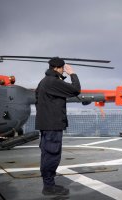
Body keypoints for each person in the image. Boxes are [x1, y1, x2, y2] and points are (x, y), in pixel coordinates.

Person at [35, 57, 81, 196]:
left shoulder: (44, 82)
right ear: (58, 68)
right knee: (52, 154)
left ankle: (48, 184)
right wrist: (72, 73)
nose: (63, 71)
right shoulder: (52, 82)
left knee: (47, 153)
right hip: (53, 125)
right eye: (62, 69)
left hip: (46, 124)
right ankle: (49, 186)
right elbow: (75, 90)